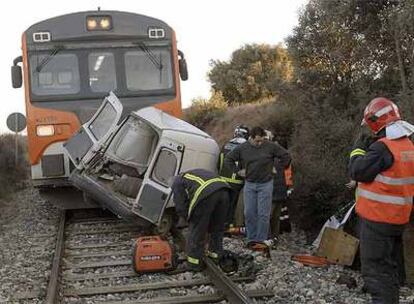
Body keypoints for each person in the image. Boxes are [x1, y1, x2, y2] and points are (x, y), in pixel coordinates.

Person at [349, 97, 414, 304]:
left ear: (375, 122)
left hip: (377, 220)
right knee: (390, 270)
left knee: (377, 274)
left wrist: (358, 150)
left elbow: (357, 171)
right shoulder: (407, 144)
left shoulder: (383, 148)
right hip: (397, 219)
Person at [224, 126, 291, 248]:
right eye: (257, 141)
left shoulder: (270, 146)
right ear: (251, 138)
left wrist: (278, 167)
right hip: (249, 184)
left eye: (262, 140)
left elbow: (286, 156)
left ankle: (260, 241)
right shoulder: (242, 148)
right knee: (249, 213)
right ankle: (251, 238)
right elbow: (228, 159)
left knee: (263, 214)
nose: (260, 143)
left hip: (266, 184)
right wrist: (238, 171)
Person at [171, 168, 231, 271]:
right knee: (217, 228)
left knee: (197, 230)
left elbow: (181, 205)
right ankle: (215, 256)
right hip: (225, 191)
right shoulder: (194, 174)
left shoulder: (177, 181)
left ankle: (194, 263)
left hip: (206, 193)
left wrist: (187, 218)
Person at [218, 124, 249, 226]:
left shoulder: (226, 145)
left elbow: (219, 163)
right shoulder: (245, 148)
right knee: (232, 204)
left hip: (222, 180)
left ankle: (218, 223)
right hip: (236, 181)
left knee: (222, 203)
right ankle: (228, 225)